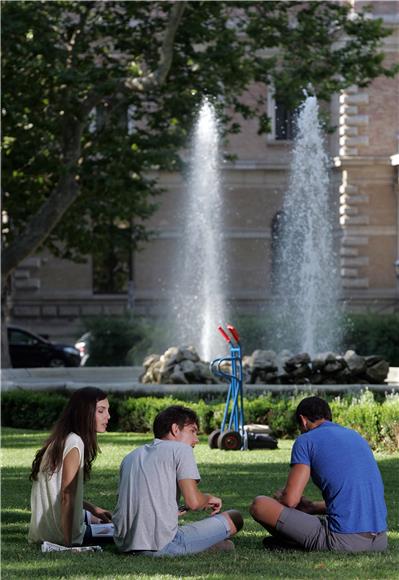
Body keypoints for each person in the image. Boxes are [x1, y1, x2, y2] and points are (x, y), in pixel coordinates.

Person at [250, 396, 387, 553]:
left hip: (344, 541)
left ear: (303, 420)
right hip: (379, 541)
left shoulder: (306, 441)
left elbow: (290, 501)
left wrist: (280, 498)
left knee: (260, 505)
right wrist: (312, 507)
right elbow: (353, 498)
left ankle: (292, 544)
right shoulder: (356, 437)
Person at [113, 405, 243, 556]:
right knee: (235, 517)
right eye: (192, 431)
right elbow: (193, 502)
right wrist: (207, 498)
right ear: (175, 429)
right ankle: (205, 546)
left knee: (220, 541)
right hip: (161, 545)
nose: (196, 440)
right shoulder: (181, 450)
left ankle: (208, 545)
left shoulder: (131, 456)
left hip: (124, 545)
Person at [28, 387, 113, 547]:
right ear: (84, 413)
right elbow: (67, 495)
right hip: (58, 535)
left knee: (103, 518)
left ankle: (92, 519)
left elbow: (64, 492)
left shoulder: (62, 440)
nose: (108, 416)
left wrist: (94, 509)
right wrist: (68, 543)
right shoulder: (75, 443)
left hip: (43, 531)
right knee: (125, 530)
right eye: (101, 411)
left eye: (107, 411)